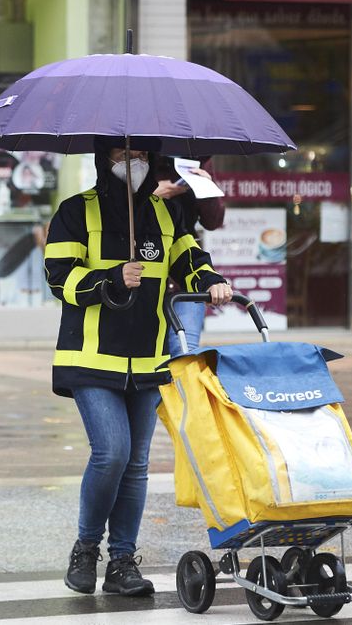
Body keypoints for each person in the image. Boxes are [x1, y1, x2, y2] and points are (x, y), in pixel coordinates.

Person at [44, 144, 231, 596]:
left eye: (141, 153)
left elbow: (190, 260)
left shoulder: (165, 214)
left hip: (148, 358)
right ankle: (87, 548)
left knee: (137, 464)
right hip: (91, 357)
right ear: (103, 159)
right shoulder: (75, 211)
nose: (134, 162)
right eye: (122, 154)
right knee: (112, 452)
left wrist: (211, 283)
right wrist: (109, 278)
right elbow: (57, 276)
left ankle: (122, 561)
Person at [151, 156, 226, 356]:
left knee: (184, 352)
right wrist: (150, 195)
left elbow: (214, 221)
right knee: (148, 355)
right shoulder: (139, 152)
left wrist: (206, 188)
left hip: (186, 270)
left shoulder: (197, 155)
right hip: (145, 269)